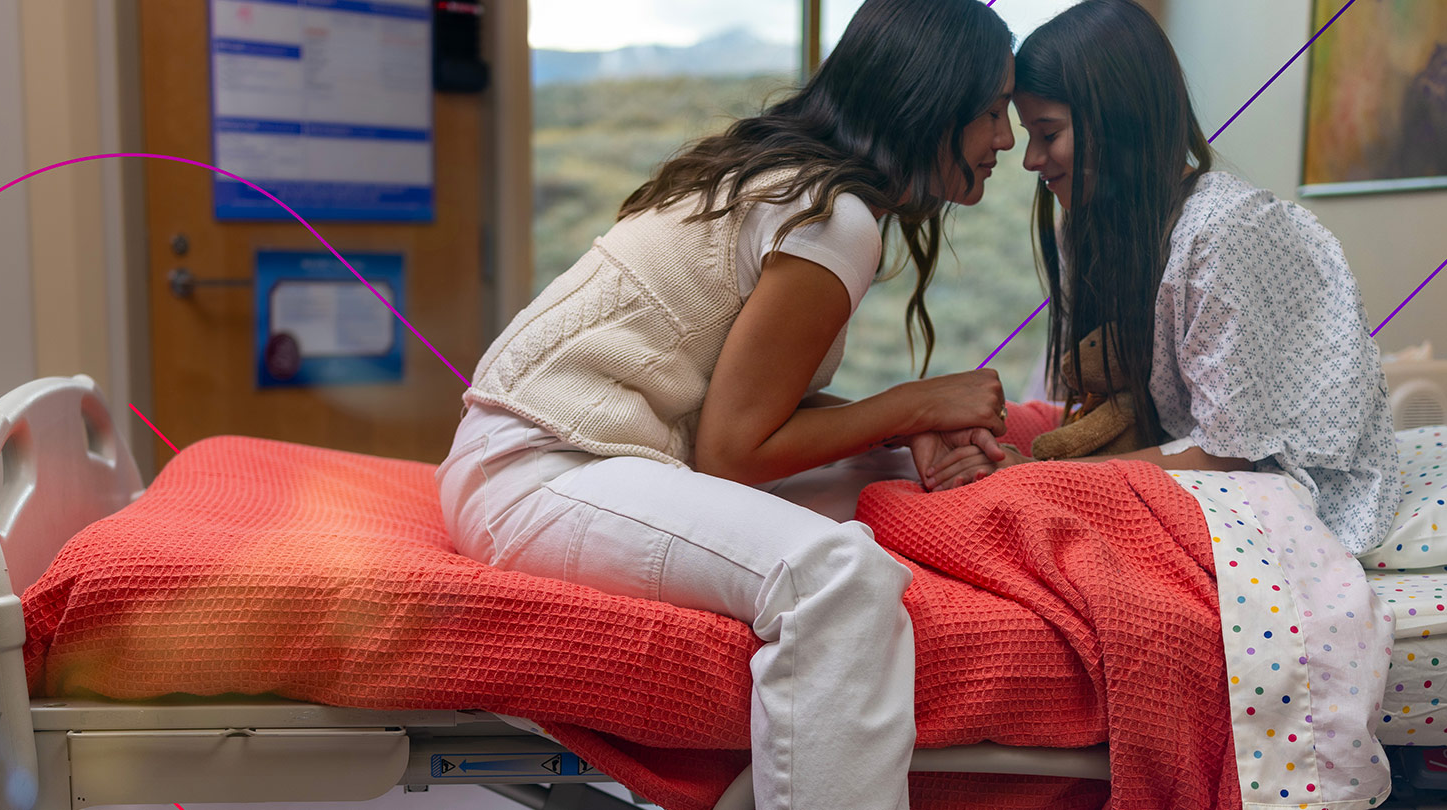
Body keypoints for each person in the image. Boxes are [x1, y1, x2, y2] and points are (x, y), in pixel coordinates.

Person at [435, 0, 1016, 806]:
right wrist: (914, 405)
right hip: (540, 467)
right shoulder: (833, 216)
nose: (1008, 142)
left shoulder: (798, 183)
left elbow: (755, 401)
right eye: (992, 112)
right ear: (931, 102)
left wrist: (903, 426)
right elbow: (733, 452)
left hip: (549, 456)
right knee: (837, 577)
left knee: (883, 474)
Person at [924, 0, 1397, 553]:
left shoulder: (1226, 230)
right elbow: (1124, 411)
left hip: (1269, 492)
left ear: (1117, 120)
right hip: (1190, 467)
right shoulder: (1091, 226)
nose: (1030, 160)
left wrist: (1041, 479)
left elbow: (1230, 453)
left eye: (1047, 134)